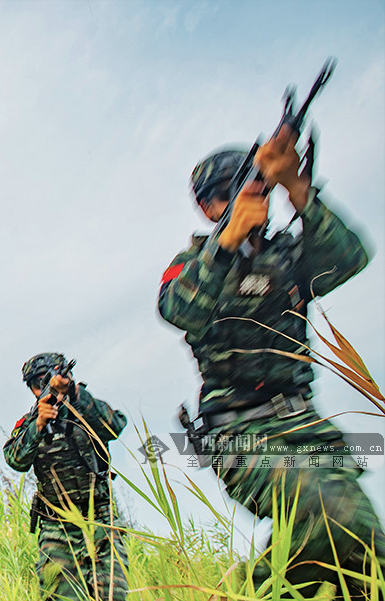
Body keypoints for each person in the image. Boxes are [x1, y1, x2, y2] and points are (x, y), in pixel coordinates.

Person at [158, 126, 385, 596]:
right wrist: (227, 241)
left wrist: (297, 187)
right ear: (207, 207)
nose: (247, 201)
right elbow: (179, 310)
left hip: (308, 425)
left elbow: (350, 258)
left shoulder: (288, 256)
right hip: (238, 431)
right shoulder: (194, 262)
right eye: (229, 194)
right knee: (327, 515)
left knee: (368, 553)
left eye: (255, 190)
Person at [4, 353, 128, 600]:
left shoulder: (85, 409)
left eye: (47, 380)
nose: (43, 387)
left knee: (112, 593)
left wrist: (73, 394)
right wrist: (38, 426)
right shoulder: (30, 422)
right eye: (37, 383)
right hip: (56, 525)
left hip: (100, 520)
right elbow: (15, 459)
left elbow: (115, 425)